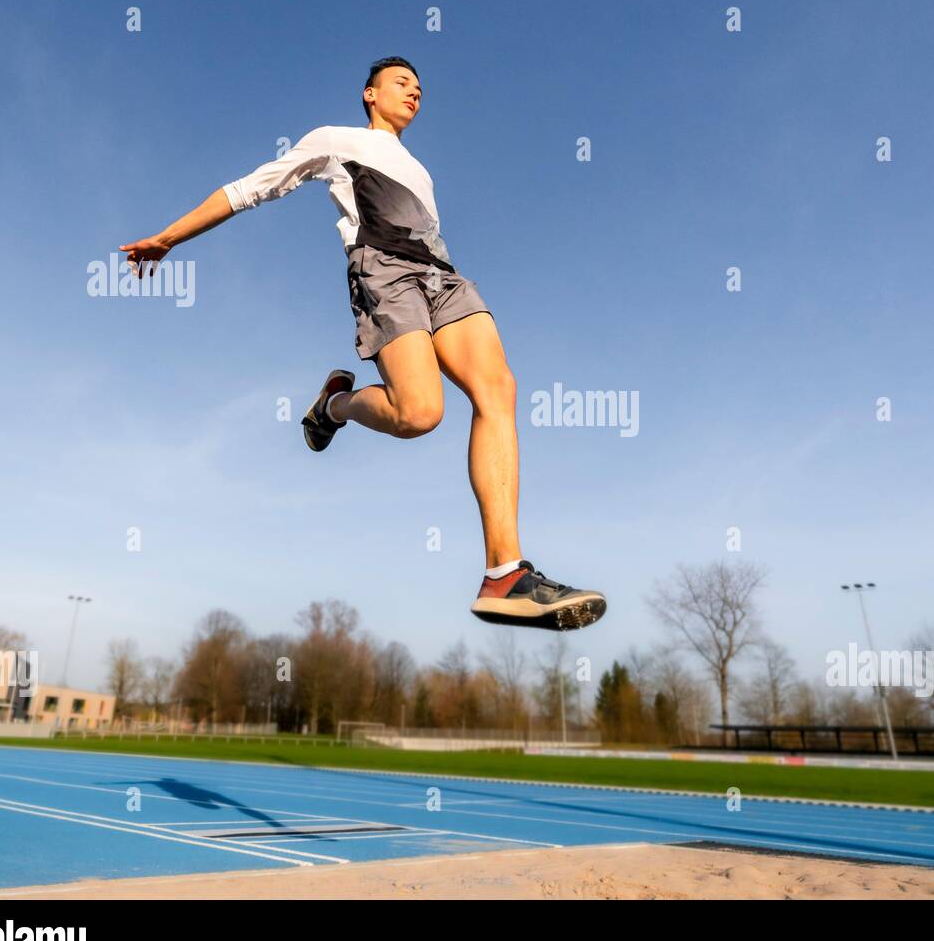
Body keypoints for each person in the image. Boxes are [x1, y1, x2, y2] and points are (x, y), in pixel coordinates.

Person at [119, 56, 606, 631]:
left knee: (499, 388)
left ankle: (505, 574)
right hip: (384, 272)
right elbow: (249, 189)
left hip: (442, 276)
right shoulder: (336, 140)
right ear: (369, 94)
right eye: (403, 83)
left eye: (421, 88)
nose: (415, 93)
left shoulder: (421, 170)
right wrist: (170, 237)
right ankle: (332, 406)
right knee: (420, 413)